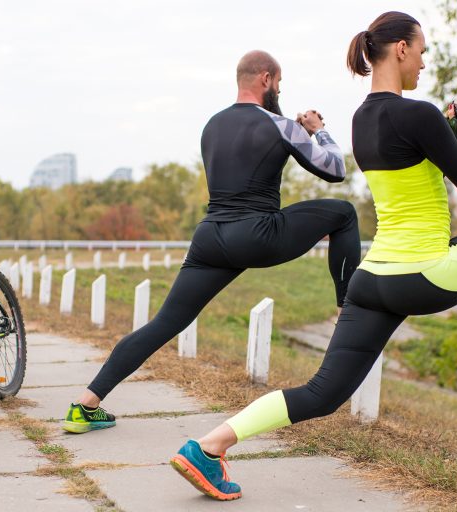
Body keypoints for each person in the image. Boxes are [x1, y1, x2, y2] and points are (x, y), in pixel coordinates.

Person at [170, 12, 457, 501]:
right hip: (423, 273)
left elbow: (417, 166)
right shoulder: (418, 114)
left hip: (372, 281)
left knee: (321, 393)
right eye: (422, 51)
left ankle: (209, 446)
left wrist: (450, 134)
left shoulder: (361, 120)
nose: (424, 62)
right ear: (400, 49)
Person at [62, 50, 362, 434]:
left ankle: (86, 405)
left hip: (210, 238)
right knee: (344, 213)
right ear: (266, 79)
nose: (279, 91)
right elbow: (334, 169)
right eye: (279, 84)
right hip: (258, 234)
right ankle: (346, 308)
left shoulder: (211, 125)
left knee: (164, 323)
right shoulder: (281, 125)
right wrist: (318, 129)